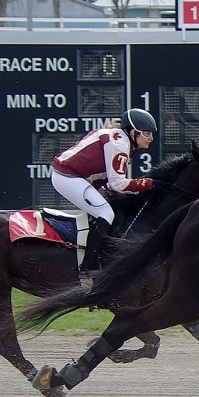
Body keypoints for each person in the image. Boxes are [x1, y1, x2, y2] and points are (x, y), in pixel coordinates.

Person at [51, 108, 159, 278]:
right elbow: (117, 184)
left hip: (75, 177)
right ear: (133, 132)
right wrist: (149, 183)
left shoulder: (120, 138)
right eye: (146, 133)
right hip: (69, 177)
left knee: (110, 208)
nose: (151, 138)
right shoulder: (120, 144)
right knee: (105, 213)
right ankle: (87, 268)